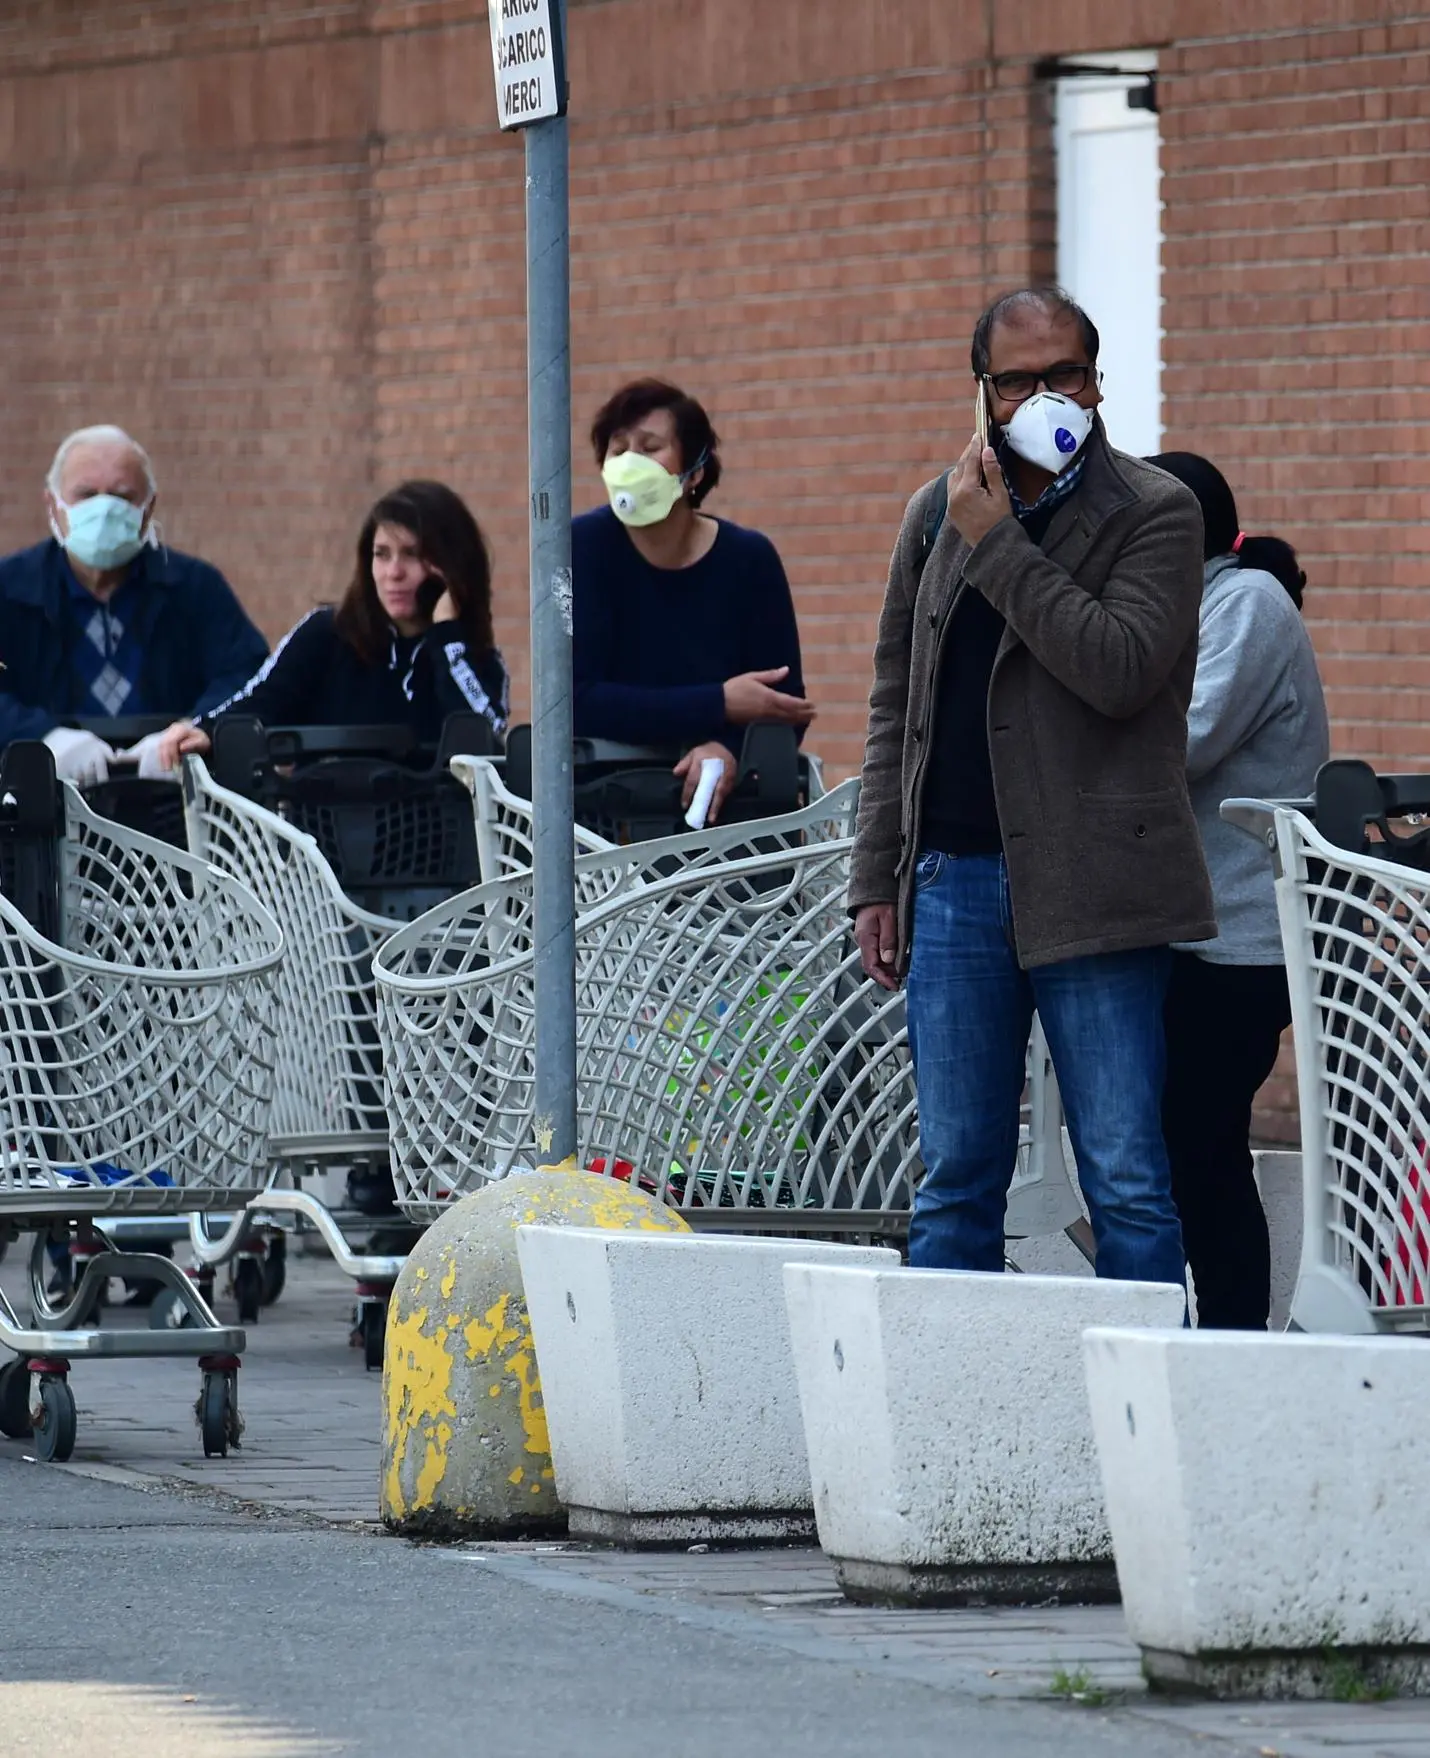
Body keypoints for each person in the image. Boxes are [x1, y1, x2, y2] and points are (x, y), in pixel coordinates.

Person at [850, 286, 1214, 1285]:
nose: (1038, 398)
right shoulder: (935, 511)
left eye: (1059, 375)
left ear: (1096, 383)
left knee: (1126, 1173)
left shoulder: (1153, 510)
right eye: (1013, 383)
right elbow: (897, 702)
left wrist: (997, 542)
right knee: (956, 1172)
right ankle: (940, 1419)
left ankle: (1139, 1414)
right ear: (982, 395)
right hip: (953, 882)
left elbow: (1118, 667)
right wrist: (875, 878)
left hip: (1096, 883)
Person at [1148, 452, 1329, 1330]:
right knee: (1176, 1144)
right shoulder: (1191, 604)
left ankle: (1227, 1339)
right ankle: (1203, 1333)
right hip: (1186, 926)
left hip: (1240, 933)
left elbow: (1185, 741)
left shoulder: (1246, 603)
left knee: (1200, 1144)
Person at [573, 377, 814, 822]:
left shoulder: (749, 559)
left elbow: (785, 706)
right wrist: (718, 703)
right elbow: (574, 701)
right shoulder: (578, 547)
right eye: (618, 448)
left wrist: (726, 748)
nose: (630, 462)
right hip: (604, 814)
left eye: (649, 448)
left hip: (724, 816)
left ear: (695, 472)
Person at [154, 479, 508, 768]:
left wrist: (446, 637)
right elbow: (260, 699)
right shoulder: (327, 633)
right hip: (323, 842)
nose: (393, 573)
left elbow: (486, 738)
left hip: (432, 845)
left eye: (412, 555)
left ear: (450, 564)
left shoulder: (472, 657)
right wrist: (204, 730)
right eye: (381, 554)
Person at [0, 425, 269, 784]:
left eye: (122, 497)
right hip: (39, 806)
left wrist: (193, 730)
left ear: (148, 506)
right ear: (53, 504)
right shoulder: (9, 590)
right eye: (86, 494)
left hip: (171, 805)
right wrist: (41, 737)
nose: (104, 509)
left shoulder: (194, 588)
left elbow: (247, 676)